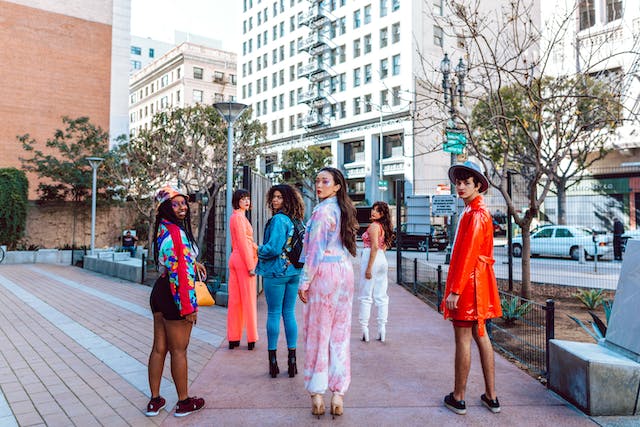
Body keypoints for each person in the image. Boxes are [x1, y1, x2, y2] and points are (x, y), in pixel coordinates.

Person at [440, 161, 502, 416]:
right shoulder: (475, 211)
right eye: (459, 182)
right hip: (478, 283)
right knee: (481, 335)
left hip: (469, 285)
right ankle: (491, 396)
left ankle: (459, 397)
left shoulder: (475, 214)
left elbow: (467, 255)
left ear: (478, 185)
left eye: (467, 183)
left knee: (464, 339)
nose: (461, 187)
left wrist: (455, 289)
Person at [297, 167, 359, 418]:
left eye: (325, 181)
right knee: (340, 334)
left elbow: (314, 252)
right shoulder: (343, 211)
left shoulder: (322, 212)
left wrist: (305, 281)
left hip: (325, 275)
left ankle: (318, 392)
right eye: (317, 180)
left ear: (336, 186)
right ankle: (338, 394)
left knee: (318, 333)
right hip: (344, 273)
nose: (319, 185)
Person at [146, 185, 207, 418]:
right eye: (176, 204)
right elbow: (180, 274)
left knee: (159, 348)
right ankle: (183, 402)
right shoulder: (175, 233)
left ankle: (155, 400)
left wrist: (194, 262)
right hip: (175, 294)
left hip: (160, 292)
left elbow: (174, 261)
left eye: (184, 203)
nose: (182, 207)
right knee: (179, 350)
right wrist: (189, 307)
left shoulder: (164, 228)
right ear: (165, 208)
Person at [256, 184, 305, 378]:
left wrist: (257, 248)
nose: (275, 200)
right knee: (289, 313)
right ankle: (292, 362)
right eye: (274, 197)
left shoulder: (278, 220)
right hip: (294, 272)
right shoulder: (297, 220)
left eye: (279, 197)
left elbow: (273, 248)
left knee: (274, 313)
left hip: (277, 272)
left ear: (287, 199)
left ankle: (273, 362)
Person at [227, 188, 259, 350]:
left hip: (235, 258)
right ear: (237, 201)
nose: (246, 201)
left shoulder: (236, 217)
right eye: (243, 199)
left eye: (248, 198)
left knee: (235, 300)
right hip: (243, 259)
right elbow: (241, 242)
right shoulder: (239, 218)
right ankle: (251, 338)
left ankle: (234, 338)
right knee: (248, 300)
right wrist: (251, 266)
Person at [358, 201, 394, 343]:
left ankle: (364, 328)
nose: (373, 212)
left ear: (382, 214)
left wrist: (368, 268)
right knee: (381, 295)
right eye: (373, 209)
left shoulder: (373, 226)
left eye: (377, 211)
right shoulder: (383, 227)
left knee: (366, 295)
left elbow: (373, 247)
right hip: (381, 259)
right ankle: (381, 328)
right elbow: (382, 246)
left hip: (371, 258)